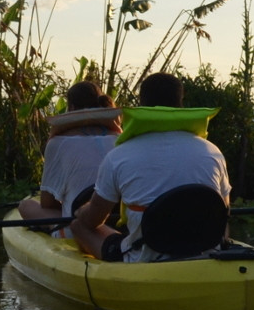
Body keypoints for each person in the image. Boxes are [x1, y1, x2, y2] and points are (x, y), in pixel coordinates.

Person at [69, 72, 230, 262]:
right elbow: (224, 215)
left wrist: (81, 212)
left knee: (78, 225)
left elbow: (93, 220)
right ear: (181, 102)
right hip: (206, 253)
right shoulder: (212, 151)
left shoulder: (118, 155)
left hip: (144, 258)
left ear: (141, 103)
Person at [18, 81, 119, 231]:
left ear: (71, 108)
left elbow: (47, 203)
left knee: (26, 205)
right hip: (117, 222)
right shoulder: (120, 139)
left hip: (79, 226)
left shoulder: (58, 143)